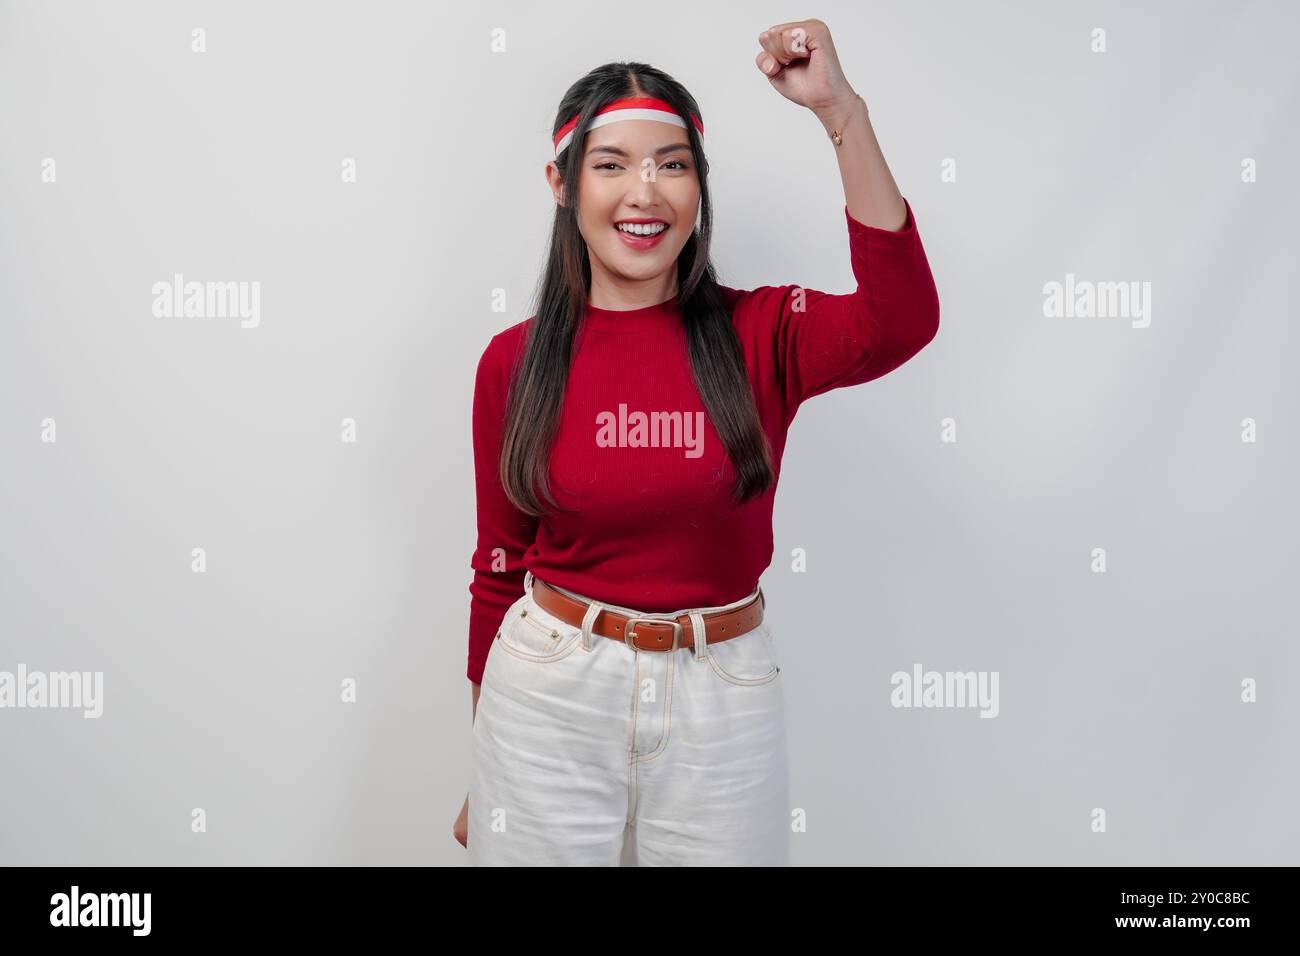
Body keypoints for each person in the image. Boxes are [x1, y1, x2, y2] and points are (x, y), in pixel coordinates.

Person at [454, 19, 940, 865]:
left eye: (671, 166)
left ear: (700, 189)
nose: (644, 193)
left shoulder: (763, 332)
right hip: (546, 697)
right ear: (562, 185)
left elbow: (902, 319)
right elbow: (497, 566)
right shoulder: (514, 364)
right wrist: (485, 764)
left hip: (726, 695)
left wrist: (841, 113)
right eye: (611, 165)